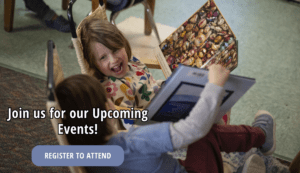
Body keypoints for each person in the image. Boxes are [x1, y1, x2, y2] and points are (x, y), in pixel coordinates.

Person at [55, 64, 276, 173]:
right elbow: (195, 128)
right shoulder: (135, 142)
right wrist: (214, 87)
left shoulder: (87, 156)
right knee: (203, 135)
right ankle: (262, 136)